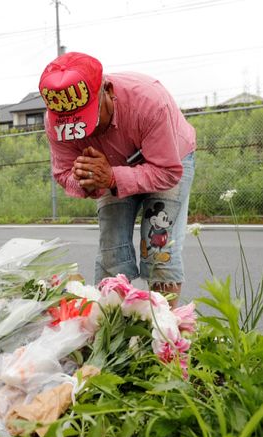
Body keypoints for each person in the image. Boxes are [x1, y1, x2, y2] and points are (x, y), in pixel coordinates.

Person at [38, 52, 196, 305]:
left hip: (168, 160)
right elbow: (63, 173)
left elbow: (167, 172)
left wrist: (112, 176)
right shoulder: (54, 121)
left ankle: (165, 331)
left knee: (158, 249)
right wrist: (84, 180)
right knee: (112, 251)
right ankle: (114, 331)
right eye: (74, 125)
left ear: (108, 90)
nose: (85, 130)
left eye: (89, 117)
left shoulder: (149, 102)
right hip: (108, 170)